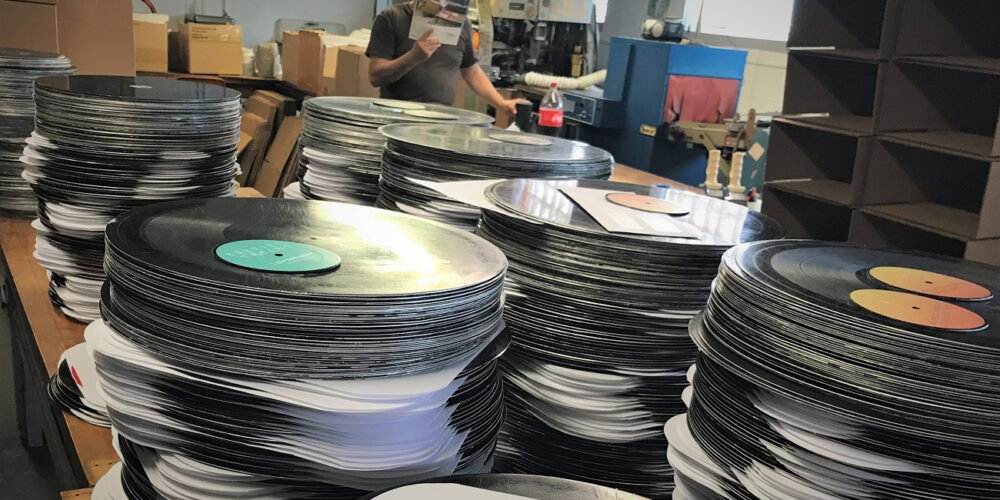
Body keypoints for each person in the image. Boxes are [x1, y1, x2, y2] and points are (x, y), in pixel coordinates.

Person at [366, 1, 522, 119]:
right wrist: (413, 57)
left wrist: (501, 103)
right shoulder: (391, 17)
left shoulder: (462, 25)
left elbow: (471, 71)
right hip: (397, 117)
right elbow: (376, 76)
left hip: (441, 119)